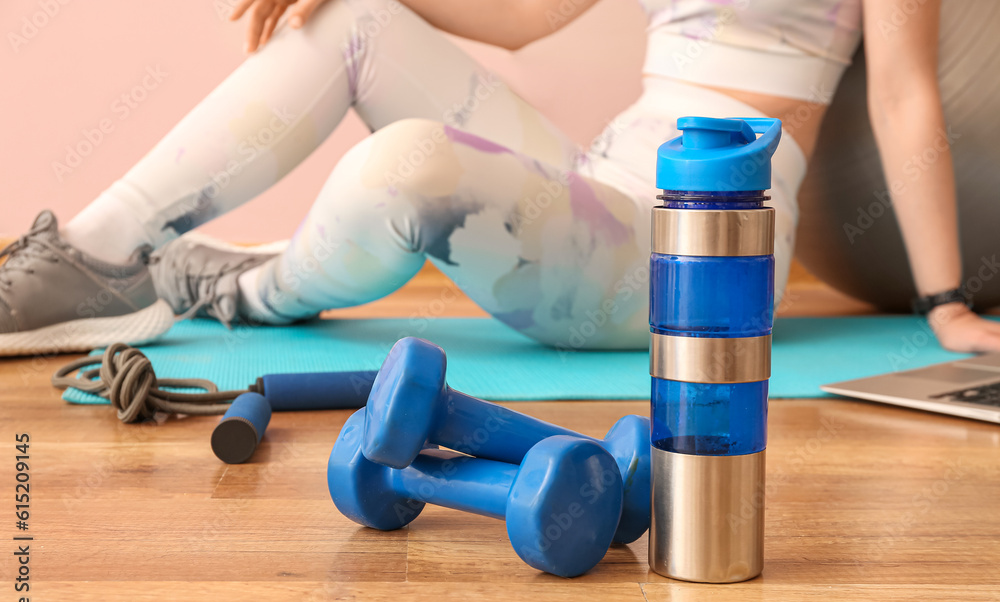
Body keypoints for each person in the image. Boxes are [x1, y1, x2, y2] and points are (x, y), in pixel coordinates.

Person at [2, 0, 998, 356]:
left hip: (692, 251)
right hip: (598, 188)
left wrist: (943, 301)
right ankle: (100, 256)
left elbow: (903, 98)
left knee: (408, 170)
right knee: (357, 14)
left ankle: (234, 287)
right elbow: (528, 16)